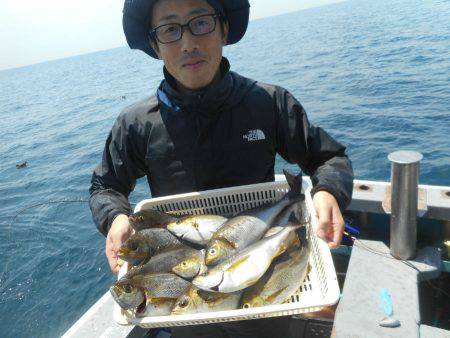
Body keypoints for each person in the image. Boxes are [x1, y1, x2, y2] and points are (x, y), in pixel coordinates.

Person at [89, 0, 354, 336]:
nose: (188, 43)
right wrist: (116, 217)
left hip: (264, 291)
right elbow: (106, 187)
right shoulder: (136, 125)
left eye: (201, 22)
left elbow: (328, 158)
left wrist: (328, 190)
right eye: (170, 29)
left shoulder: (269, 103)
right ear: (155, 45)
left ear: (224, 28)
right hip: (188, 306)